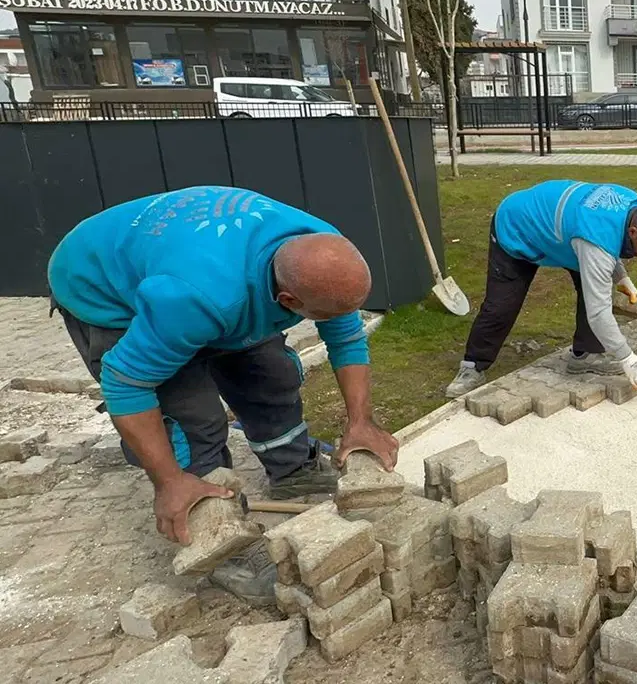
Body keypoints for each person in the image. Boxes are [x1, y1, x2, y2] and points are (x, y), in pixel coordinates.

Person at [47, 185, 400, 601]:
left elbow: (346, 338)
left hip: (201, 270)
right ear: (286, 299)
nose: (335, 321)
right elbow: (127, 383)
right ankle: (214, 532)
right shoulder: (193, 297)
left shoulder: (321, 250)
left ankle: (292, 470)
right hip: (101, 281)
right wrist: (167, 481)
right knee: (190, 416)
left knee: (270, 374)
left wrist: (360, 422)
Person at [445, 180, 637, 398]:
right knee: (501, 306)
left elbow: (609, 240)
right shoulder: (594, 242)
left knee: (595, 289)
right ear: (634, 232)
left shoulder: (635, 205)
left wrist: (621, 277)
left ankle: (584, 355)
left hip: (567, 231)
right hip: (517, 229)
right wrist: (627, 357)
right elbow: (599, 313)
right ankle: (472, 366)